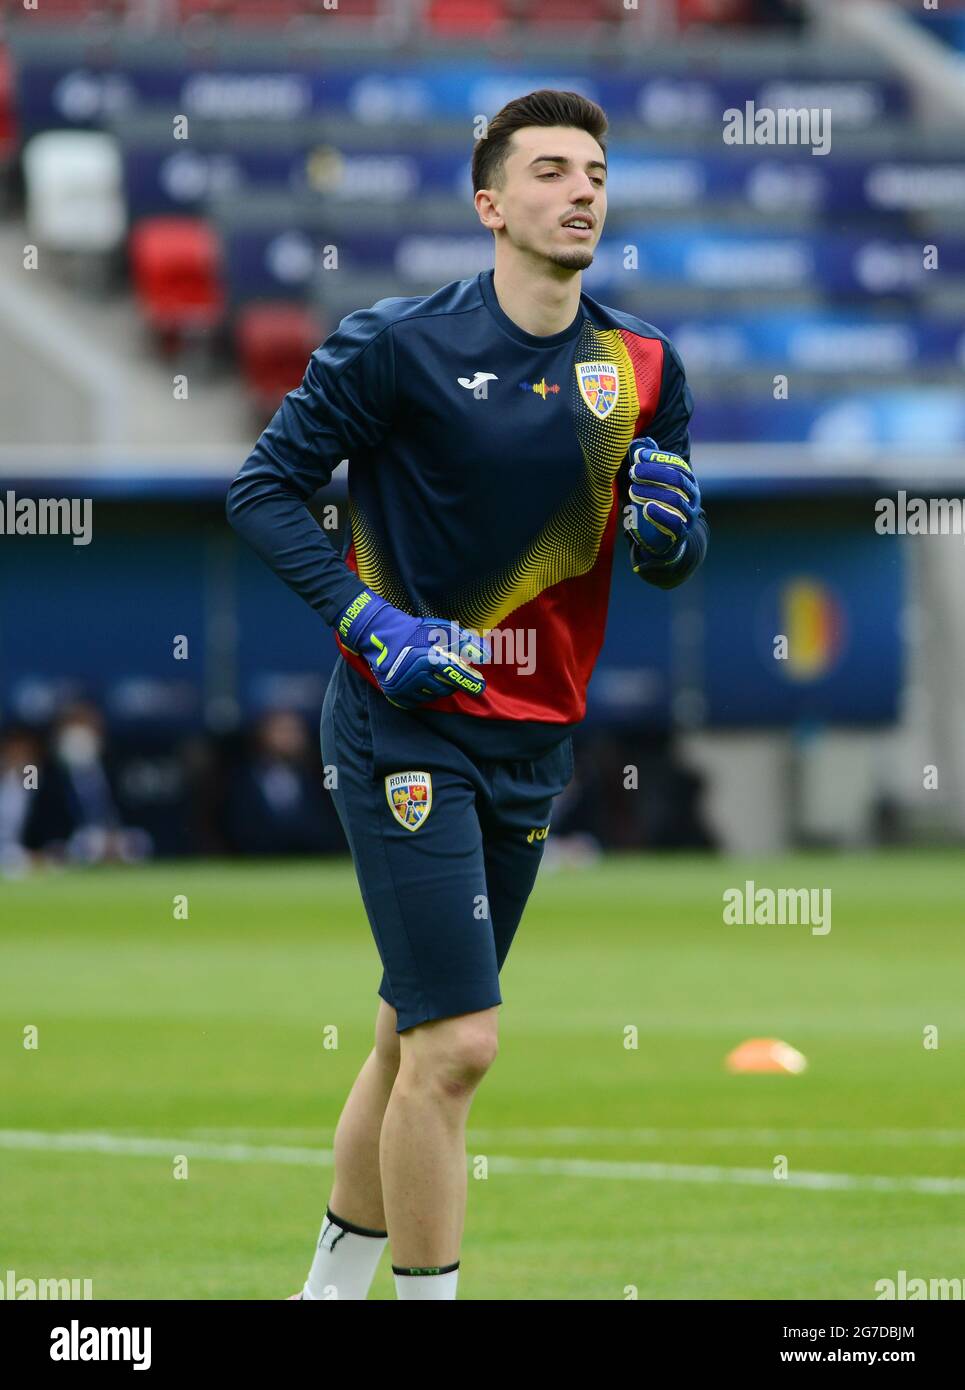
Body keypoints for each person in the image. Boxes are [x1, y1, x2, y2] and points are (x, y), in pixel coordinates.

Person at [226, 88, 709, 1301]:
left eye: (594, 169)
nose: (581, 189)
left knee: (409, 1033)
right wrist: (366, 620)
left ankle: (327, 1294)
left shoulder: (640, 367)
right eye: (550, 170)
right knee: (460, 1045)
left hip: (533, 741)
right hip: (401, 721)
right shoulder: (397, 346)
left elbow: (665, 546)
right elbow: (262, 489)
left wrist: (672, 541)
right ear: (490, 204)